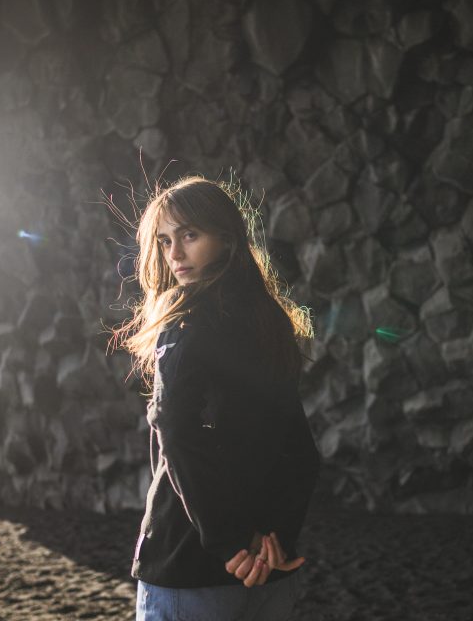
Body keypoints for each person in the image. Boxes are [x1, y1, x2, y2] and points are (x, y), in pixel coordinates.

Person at [111, 176, 321, 620]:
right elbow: (300, 450)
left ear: (226, 237)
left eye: (190, 234)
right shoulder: (272, 325)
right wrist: (275, 539)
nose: (175, 254)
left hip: (192, 562)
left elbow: (176, 432)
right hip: (267, 565)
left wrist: (230, 545)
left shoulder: (183, 324)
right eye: (165, 240)